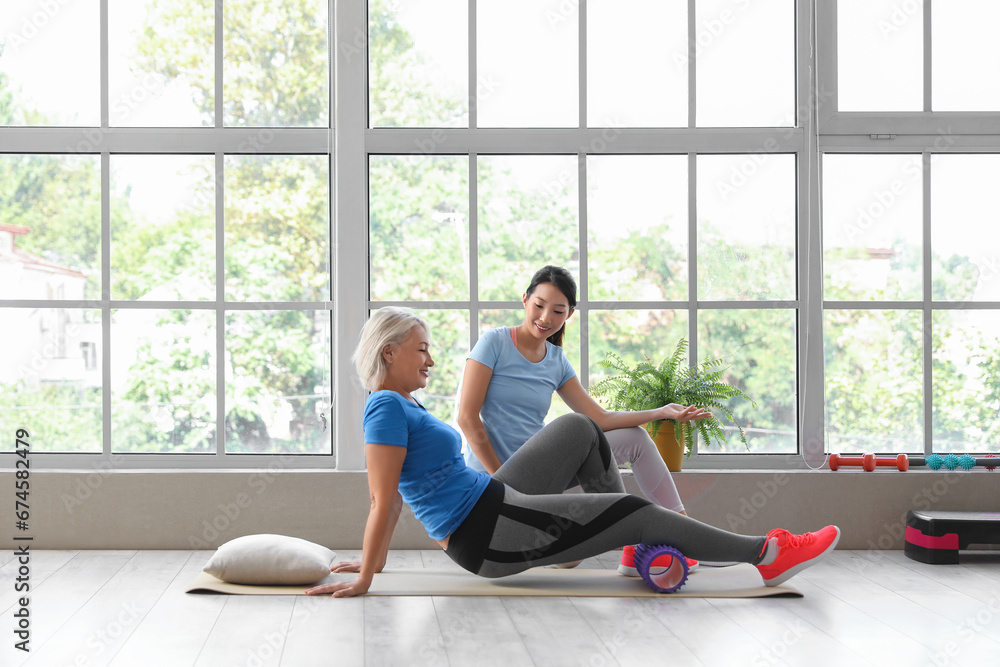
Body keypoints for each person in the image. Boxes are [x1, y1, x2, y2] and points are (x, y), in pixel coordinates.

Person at [305, 307, 839, 598]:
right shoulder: (385, 410)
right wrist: (367, 575)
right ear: (388, 352)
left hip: (495, 498)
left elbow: (404, 492)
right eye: (421, 349)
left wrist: (369, 559)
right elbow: (385, 500)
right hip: (484, 535)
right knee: (635, 510)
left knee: (580, 427)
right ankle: (766, 554)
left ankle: (632, 543)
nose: (431, 359)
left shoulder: (404, 404)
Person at [457, 265, 712, 575]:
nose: (545, 317)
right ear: (525, 300)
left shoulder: (556, 361)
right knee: (568, 557)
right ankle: (634, 534)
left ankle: (680, 535)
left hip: (537, 474)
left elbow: (598, 418)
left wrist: (661, 412)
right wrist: (504, 486)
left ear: (570, 314)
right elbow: (467, 419)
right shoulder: (494, 343)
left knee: (634, 438)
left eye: (558, 310)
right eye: (539, 305)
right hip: (493, 482)